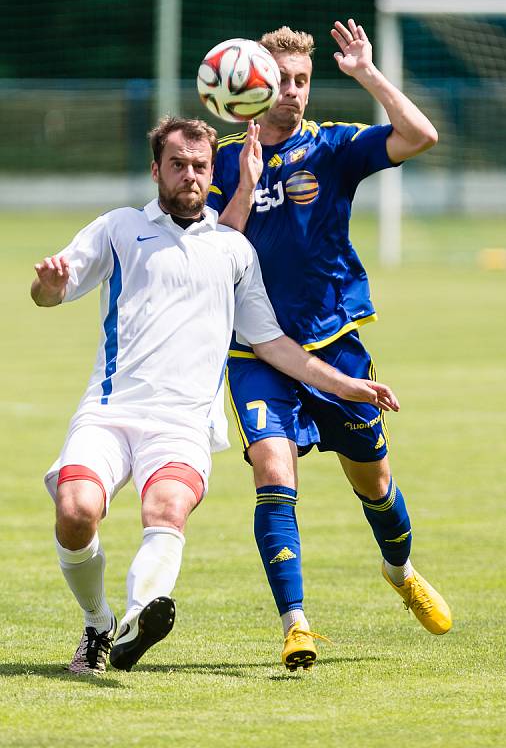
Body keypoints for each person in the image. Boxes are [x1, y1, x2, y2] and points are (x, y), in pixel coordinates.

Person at [31, 115, 399, 676]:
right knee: (77, 512)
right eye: (177, 164)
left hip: (181, 426)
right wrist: (50, 286)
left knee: (166, 508)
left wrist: (346, 384)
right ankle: (99, 623)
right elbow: (47, 292)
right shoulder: (119, 228)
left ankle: (135, 620)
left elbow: (273, 344)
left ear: (212, 173)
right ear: (156, 169)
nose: (189, 175)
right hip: (109, 414)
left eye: (199, 166)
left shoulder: (233, 249)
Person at [208, 19, 452, 672]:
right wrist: (240, 185)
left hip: (335, 344)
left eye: (301, 81)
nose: (292, 92)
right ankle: (295, 625)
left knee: (374, 483)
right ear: (253, 84)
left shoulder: (334, 148)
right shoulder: (223, 160)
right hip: (255, 351)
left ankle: (399, 572)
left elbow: (421, 136)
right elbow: (208, 253)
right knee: (272, 474)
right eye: (280, 80)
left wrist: (367, 74)